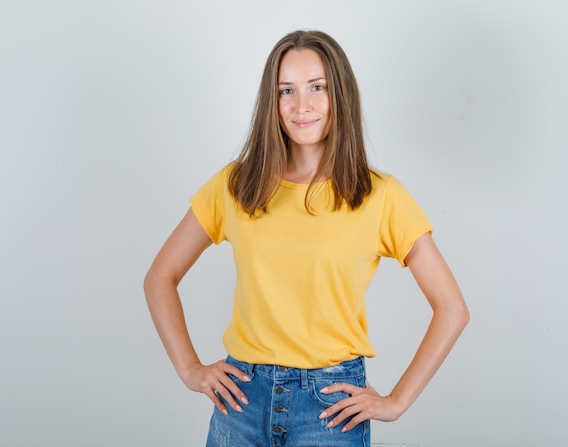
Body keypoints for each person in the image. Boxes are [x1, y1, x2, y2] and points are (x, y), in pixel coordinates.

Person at [144, 29, 469, 447]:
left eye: (318, 87)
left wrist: (397, 401)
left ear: (340, 94)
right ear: (272, 101)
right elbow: (160, 277)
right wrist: (189, 369)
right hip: (241, 399)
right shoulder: (238, 185)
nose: (302, 106)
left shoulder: (378, 195)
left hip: (330, 409)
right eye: (286, 91)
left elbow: (452, 308)